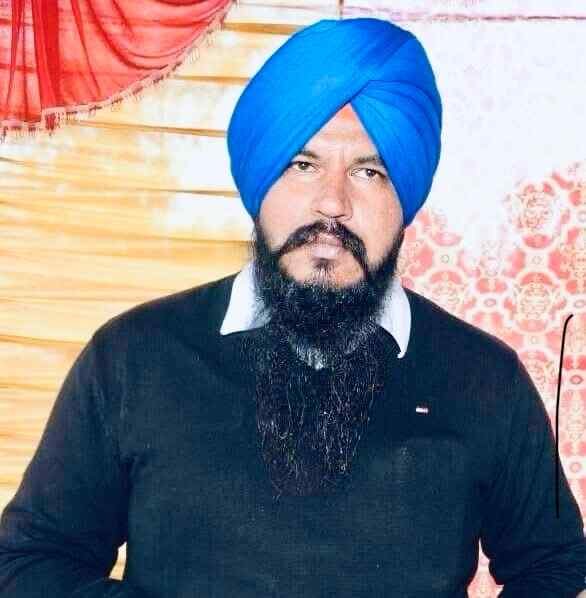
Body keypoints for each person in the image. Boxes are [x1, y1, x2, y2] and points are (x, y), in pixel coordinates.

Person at [0, 16, 584, 598]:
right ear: (261, 182)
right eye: (302, 165)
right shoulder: (134, 356)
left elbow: (556, 565)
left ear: (404, 195)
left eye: (369, 171)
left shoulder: (483, 377)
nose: (332, 203)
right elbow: (30, 561)